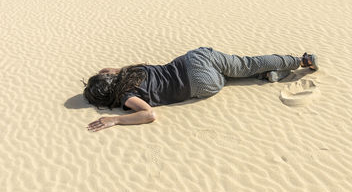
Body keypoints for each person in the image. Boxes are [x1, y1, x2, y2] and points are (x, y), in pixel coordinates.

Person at [84, 47, 318, 132]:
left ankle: (268, 75)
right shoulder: (130, 72)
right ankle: (300, 60)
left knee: (226, 78)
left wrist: (115, 119)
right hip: (195, 59)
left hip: (202, 84)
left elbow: (148, 114)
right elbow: (106, 70)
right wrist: (107, 78)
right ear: (111, 77)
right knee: (247, 64)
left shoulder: (127, 97)